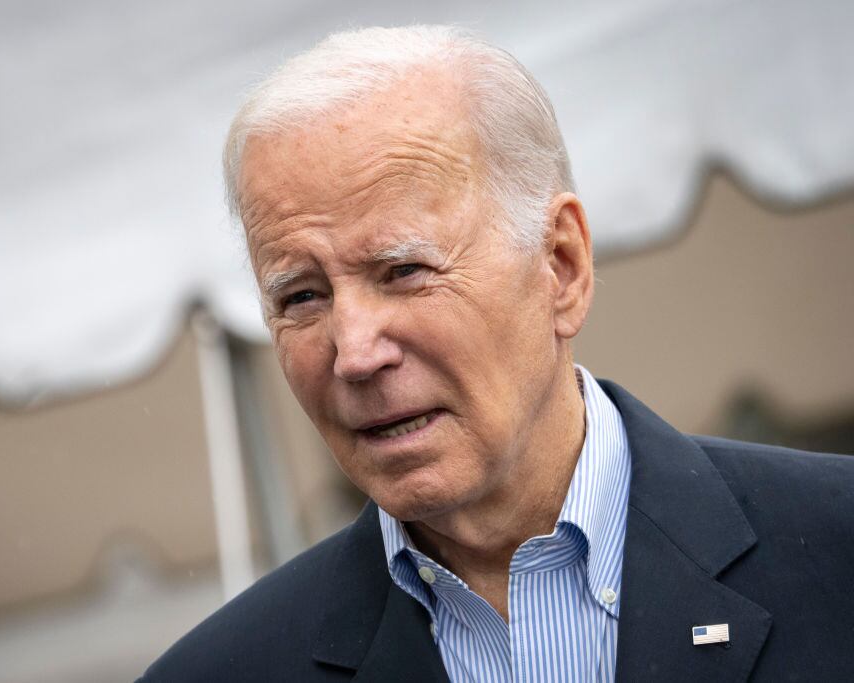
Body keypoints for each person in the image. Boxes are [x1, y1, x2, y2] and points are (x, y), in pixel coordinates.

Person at [138, 25, 854, 682]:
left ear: (562, 265)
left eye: (404, 271)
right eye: (301, 297)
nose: (354, 353)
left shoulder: (835, 549)